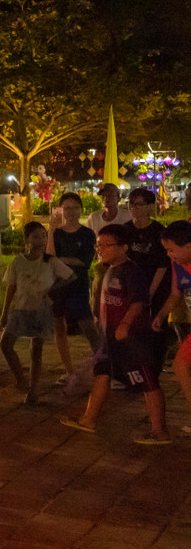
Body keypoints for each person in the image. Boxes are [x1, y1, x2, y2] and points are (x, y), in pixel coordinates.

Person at [61, 224, 170, 445]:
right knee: (102, 372)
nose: (99, 249)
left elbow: (139, 302)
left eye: (105, 245)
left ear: (124, 247)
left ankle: (159, 431)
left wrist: (125, 324)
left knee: (147, 380)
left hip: (132, 339)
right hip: (110, 338)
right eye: (98, 245)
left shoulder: (131, 271)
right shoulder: (107, 269)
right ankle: (89, 419)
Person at [0, 222, 72, 404]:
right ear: (27, 240)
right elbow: (11, 287)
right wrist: (4, 311)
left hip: (41, 310)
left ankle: (33, 389)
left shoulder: (49, 260)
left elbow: (69, 277)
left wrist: (52, 290)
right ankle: (21, 380)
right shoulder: (18, 262)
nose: (40, 241)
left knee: (36, 350)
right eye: (36, 237)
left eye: (43, 236)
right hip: (20, 309)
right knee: (5, 344)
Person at [48, 191, 99, 383]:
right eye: (66, 208)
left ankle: (103, 366)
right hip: (57, 286)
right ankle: (69, 370)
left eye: (75, 207)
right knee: (59, 327)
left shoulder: (87, 234)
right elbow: (49, 257)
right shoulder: (57, 233)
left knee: (88, 326)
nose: (70, 212)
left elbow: (84, 262)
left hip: (77, 285)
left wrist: (61, 260)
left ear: (81, 210)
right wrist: (52, 230)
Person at [124, 187, 170, 374]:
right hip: (132, 286)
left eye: (139, 204)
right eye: (131, 204)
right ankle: (134, 366)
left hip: (156, 285)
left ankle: (155, 367)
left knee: (156, 326)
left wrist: (150, 291)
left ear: (150, 207)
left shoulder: (159, 232)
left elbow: (162, 265)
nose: (135, 208)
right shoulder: (126, 230)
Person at [154, 220, 191, 433]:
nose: (169, 255)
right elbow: (176, 294)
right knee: (180, 365)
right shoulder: (177, 264)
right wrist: (161, 315)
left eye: (171, 249)